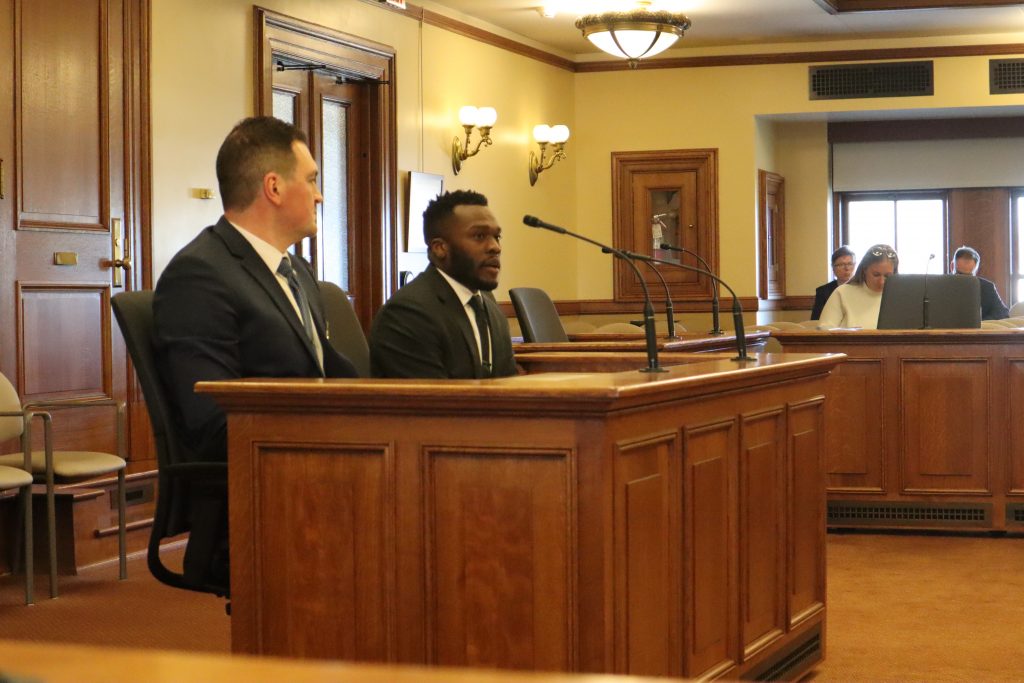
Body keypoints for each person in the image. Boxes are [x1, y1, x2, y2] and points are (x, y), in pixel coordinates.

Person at [153, 116, 359, 587]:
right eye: (311, 180)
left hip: (321, 473)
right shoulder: (200, 275)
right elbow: (211, 422)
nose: (320, 194)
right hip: (260, 498)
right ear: (273, 187)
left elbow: (331, 371)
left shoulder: (297, 273)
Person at [369, 189, 516, 379]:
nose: (495, 247)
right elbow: (432, 403)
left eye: (497, 237)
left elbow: (510, 386)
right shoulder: (408, 313)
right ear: (440, 248)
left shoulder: (487, 304)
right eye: (479, 236)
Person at [818, 244, 899, 329]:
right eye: (876, 275)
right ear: (864, 270)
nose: (882, 282)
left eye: (887, 276)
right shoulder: (842, 293)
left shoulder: (900, 297)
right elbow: (823, 330)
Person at [950, 245, 1009, 320]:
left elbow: (1002, 314)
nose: (963, 279)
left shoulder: (987, 287)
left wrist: (978, 323)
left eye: (969, 276)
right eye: (959, 274)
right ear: (952, 267)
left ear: (976, 271)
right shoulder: (940, 286)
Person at [810, 246, 855, 320]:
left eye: (850, 264)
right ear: (833, 268)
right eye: (841, 265)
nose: (847, 268)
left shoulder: (862, 288)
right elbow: (816, 320)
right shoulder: (823, 292)